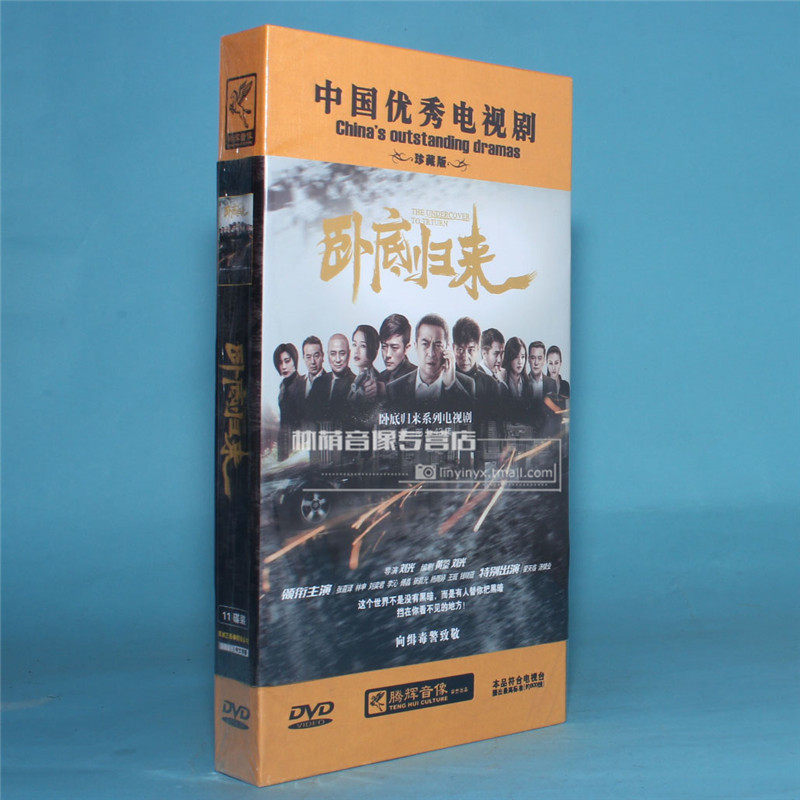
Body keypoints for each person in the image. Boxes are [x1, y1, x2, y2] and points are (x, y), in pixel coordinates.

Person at [386, 314, 474, 410]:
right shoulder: (395, 388)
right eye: (425, 344)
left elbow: (471, 414)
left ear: (447, 348)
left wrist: (451, 385)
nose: (431, 353)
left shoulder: (466, 384)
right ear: (416, 346)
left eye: (438, 345)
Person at [453, 316, 501, 408]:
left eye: (470, 350)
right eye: (460, 349)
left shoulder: (491, 385)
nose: (465, 357)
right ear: (453, 348)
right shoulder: (441, 382)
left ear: (478, 348)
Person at [273, 343, 303, 460]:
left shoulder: (302, 384)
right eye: (280, 363)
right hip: (283, 441)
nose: (284, 366)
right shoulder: (283, 385)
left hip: (297, 442)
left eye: (287, 361)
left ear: (294, 360)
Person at [347, 324, 382, 424]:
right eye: (354, 344)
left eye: (363, 346)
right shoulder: (360, 375)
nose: (356, 351)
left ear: (372, 349)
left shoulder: (372, 381)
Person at [500, 336, 534, 424]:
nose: (520, 361)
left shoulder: (528, 384)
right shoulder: (501, 382)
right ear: (509, 358)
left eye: (523, 357)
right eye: (516, 357)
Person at [528, 340, 557, 435]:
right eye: (533, 358)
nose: (536, 363)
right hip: (527, 433)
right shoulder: (522, 383)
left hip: (546, 434)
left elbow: (553, 414)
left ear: (544, 361)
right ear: (528, 359)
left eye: (539, 358)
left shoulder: (551, 384)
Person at [300, 335, 331, 424]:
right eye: (308, 357)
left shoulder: (332, 382)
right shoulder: (297, 384)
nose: (312, 362)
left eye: (316, 356)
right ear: (303, 358)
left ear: (323, 356)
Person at [378, 313, 416, 383]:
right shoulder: (379, 378)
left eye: (394, 347)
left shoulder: (418, 379)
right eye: (384, 346)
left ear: (406, 348)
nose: (388, 354)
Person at [326, 333, 355, 424]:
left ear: (349, 354)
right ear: (327, 355)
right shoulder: (318, 382)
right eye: (333, 354)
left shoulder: (357, 384)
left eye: (342, 353)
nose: (338, 359)